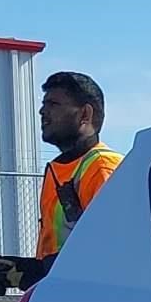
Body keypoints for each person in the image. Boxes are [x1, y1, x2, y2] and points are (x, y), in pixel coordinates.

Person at [36, 71, 121, 260]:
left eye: (54, 104)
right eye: (43, 104)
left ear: (85, 114)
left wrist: (39, 271)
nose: (42, 111)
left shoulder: (102, 168)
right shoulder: (57, 170)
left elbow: (112, 251)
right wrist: (21, 270)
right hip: (64, 286)